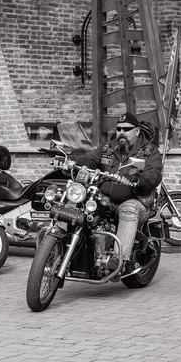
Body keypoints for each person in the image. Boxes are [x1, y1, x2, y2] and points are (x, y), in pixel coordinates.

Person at [71, 112, 163, 275]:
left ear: (136, 131)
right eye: (119, 128)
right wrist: (72, 161)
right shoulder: (107, 148)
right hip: (106, 199)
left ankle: (118, 260)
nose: (121, 132)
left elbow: (154, 174)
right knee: (78, 205)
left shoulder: (149, 151)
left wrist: (136, 179)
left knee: (129, 208)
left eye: (126, 129)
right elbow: (89, 159)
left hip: (137, 200)